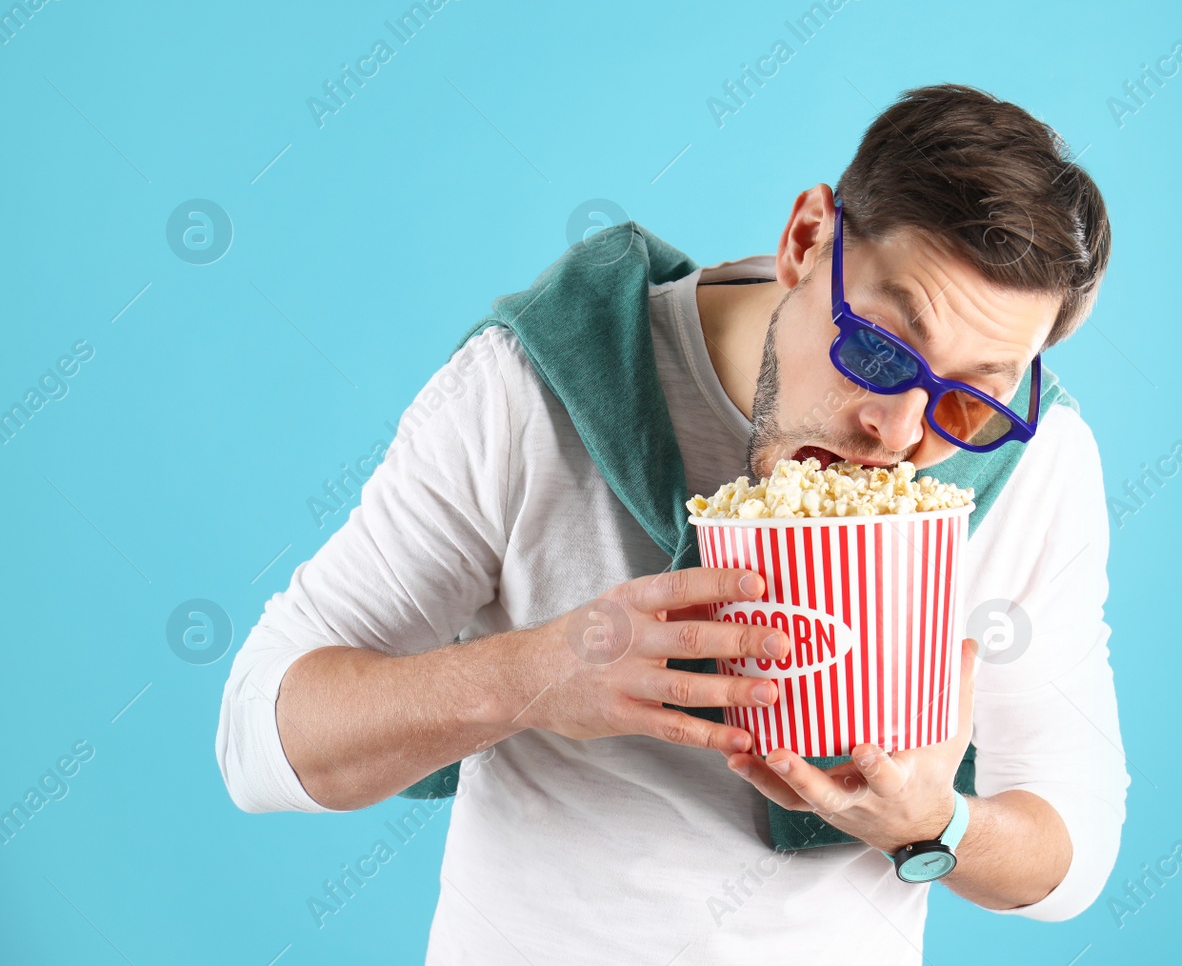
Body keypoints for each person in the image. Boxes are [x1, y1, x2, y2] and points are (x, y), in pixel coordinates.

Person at [216, 83, 1129, 963]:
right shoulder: (534, 384)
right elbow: (259, 737)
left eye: (968, 402)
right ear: (807, 239)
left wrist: (937, 823)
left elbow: (1072, 846)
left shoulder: (1038, 462)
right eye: (879, 348)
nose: (896, 433)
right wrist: (538, 673)